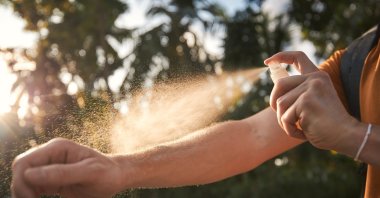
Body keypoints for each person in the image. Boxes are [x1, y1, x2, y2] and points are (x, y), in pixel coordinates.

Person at [11, 26, 380, 198]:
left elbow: (353, 135)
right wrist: (118, 168)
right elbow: (251, 137)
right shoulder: (363, 57)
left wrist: (355, 137)